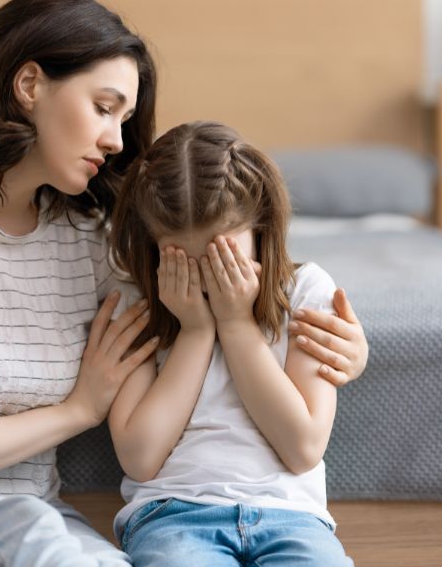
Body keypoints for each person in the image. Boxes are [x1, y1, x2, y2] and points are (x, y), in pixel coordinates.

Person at [0, 0, 367, 567]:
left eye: (125, 118)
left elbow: (198, 235)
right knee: (19, 528)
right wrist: (77, 410)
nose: (117, 140)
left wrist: (345, 350)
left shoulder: (85, 237)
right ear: (29, 86)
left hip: (33, 521)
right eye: (103, 107)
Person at [108, 121, 355, 566]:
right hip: (172, 516)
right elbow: (140, 458)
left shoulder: (306, 293)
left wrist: (237, 324)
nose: (208, 277)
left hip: (292, 517)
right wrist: (197, 332)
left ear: (260, 226)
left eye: (223, 255)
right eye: (183, 260)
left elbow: (302, 449)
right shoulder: (137, 302)